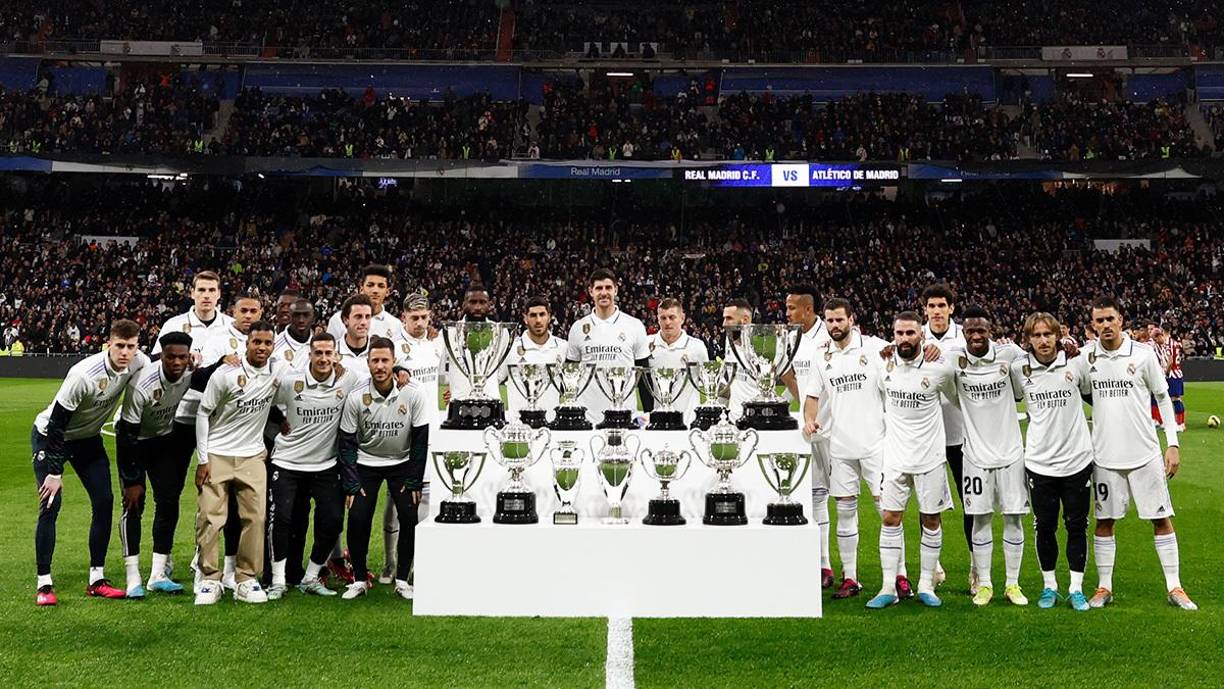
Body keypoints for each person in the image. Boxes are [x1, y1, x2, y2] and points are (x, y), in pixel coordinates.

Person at [1083, 296, 1196, 611]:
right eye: (1099, 320)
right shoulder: (1086, 357)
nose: (1105, 325)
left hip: (1145, 453)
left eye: (1110, 319)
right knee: (1104, 521)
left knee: (1161, 518)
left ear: (1120, 319)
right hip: (1104, 456)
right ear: (1093, 325)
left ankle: (1175, 586)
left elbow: (1163, 397)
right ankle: (1104, 586)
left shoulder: (1144, 355)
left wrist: (1172, 443)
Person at [31, 319, 148, 606]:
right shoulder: (83, 375)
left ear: (136, 347)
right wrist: (55, 472)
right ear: (109, 344)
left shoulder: (138, 362)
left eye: (130, 346)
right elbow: (57, 424)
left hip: (88, 439)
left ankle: (97, 578)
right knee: (50, 504)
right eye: (119, 346)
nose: (124, 352)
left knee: (104, 501)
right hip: (51, 436)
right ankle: (44, 584)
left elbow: (156, 368)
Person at [803, 298, 904, 600]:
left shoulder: (874, 347)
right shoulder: (821, 356)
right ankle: (851, 578)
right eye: (830, 321)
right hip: (841, 447)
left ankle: (900, 576)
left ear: (851, 320)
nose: (834, 326)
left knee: (889, 513)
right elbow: (811, 395)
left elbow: (906, 355)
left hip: (877, 445)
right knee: (844, 511)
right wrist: (809, 420)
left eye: (839, 320)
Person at [866, 311, 957, 610]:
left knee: (931, 520)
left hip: (929, 457)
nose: (905, 338)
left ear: (922, 335)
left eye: (910, 333)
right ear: (893, 335)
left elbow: (957, 398)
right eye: (900, 333)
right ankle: (888, 586)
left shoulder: (938, 368)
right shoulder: (884, 365)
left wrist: (941, 351)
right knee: (890, 518)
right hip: (894, 457)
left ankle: (926, 585)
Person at [266, 333, 362, 600]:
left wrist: (400, 372)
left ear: (336, 356)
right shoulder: (291, 381)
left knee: (332, 521)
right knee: (282, 519)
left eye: (328, 353)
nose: (323, 358)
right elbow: (265, 401)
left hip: (325, 464)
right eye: (318, 353)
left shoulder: (348, 379)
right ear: (309, 355)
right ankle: (277, 581)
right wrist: (278, 424)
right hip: (287, 462)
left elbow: (377, 379)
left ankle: (310, 577)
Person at [193, 320, 281, 605]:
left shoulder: (277, 372)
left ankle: (246, 579)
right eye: (257, 342)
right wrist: (203, 458)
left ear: (273, 345)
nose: (262, 348)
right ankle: (209, 579)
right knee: (210, 516)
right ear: (247, 343)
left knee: (255, 518)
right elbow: (203, 413)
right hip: (218, 453)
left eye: (267, 343)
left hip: (253, 455)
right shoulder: (226, 373)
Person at [1011, 312, 1094, 611]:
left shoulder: (1076, 361)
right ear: (1028, 339)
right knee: (1044, 526)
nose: (1043, 340)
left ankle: (1076, 588)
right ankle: (1049, 586)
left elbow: (1095, 393)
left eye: (1048, 334)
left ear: (1058, 336)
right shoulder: (1019, 370)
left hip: (1077, 460)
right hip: (1039, 463)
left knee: (1077, 526)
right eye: (1037, 335)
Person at [339, 337, 432, 601]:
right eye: (375, 360)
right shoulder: (357, 396)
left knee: (409, 516)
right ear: (368, 363)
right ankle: (359, 579)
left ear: (394, 362)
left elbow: (420, 439)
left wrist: (414, 479)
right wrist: (351, 483)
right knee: (358, 518)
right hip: (366, 462)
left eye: (385, 360)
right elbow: (346, 442)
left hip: (401, 464)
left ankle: (402, 578)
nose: (380, 366)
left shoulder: (413, 392)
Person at [952, 305, 1029, 607]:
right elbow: (948, 391)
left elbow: (1026, 383)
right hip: (974, 455)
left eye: (981, 330)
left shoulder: (1008, 355)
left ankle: (1013, 584)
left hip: (1011, 452)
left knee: (1013, 518)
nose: (975, 335)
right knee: (979, 520)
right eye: (970, 330)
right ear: (964, 333)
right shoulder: (954, 361)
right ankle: (984, 584)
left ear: (991, 331)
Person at [115, 331, 195, 597]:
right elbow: (126, 433)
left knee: (169, 500)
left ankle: (158, 573)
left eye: (182, 357)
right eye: (170, 356)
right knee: (134, 503)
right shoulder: (142, 385)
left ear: (188, 358)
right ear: (161, 356)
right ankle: (133, 577)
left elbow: (209, 375)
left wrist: (222, 361)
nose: (176, 362)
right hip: (134, 442)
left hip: (162, 441)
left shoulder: (189, 373)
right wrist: (132, 479)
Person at [781, 285, 834, 589]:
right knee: (816, 498)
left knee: (847, 500)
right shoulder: (790, 339)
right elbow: (786, 373)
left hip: (837, 431)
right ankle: (823, 565)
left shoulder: (830, 335)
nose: (787, 313)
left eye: (791, 308)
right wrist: (805, 405)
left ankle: (897, 570)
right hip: (809, 429)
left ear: (808, 309)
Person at [920, 281, 970, 589]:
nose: (937, 311)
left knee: (971, 502)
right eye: (931, 306)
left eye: (942, 306)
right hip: (926, 436)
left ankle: (977, 569)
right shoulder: (913, 336)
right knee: (928, 504)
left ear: (951, 308)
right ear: (924, 310)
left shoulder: (966, 337)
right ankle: (932, 567)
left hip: (961, 433)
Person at [565, 269, 651, 424]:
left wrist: (649, 414)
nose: (603, 293)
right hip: (588, 417)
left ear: (616, 290)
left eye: (608, 288)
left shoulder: (634, 326)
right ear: (591, 291)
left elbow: (644, 374)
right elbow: (569, 376)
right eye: (599, 288)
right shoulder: (578, 328)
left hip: (625, 416)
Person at [503, 296, 567, 421]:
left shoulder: (563, 347)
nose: (538, 320)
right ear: (525, 318)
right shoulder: (511, 349)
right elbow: (493, 381)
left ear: (549, 317)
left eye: (542, 314)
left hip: (550, 425)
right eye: (533, 315)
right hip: (518, 427)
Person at [645, 298, 708, 422]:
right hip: (657, 424)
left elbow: (708, 382)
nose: (667, 322)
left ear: (682, 318)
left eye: (672, 317)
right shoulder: (647, 345)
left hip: (688, 423)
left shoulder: (697, 347)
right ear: (657, 319)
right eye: (663, 318)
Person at [326, 264, 400, 341]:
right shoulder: (338, 320)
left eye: (381, 286)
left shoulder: (395, 325)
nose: (375, 290)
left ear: (387, 292)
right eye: (370, 285)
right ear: (361, 289)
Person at [721, 298, 757, 418]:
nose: (724, 323)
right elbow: (729, 381)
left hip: (757, 421)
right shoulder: (729, 340)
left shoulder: (763, 344)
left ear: (745, 320)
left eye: (729, 318)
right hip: (732, 420)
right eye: (724, 318)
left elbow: (790, 379)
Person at [272, 298, 315, 368]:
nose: (301, 320)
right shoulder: (275, 346)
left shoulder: (321, 346)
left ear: (313, 318)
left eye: (306, 315)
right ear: (289, 317)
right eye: (296, 315)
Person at [335, 294, 374, 365]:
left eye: (367, 317)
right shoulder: (331, 353)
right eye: (358, 317)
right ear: (345, 320)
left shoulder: (379, 352)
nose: (364, 322)